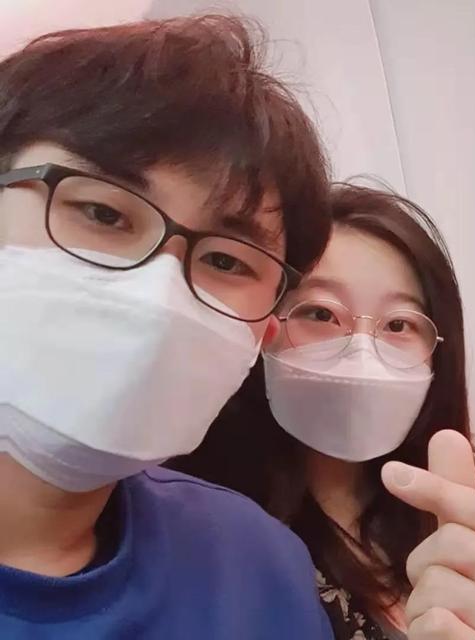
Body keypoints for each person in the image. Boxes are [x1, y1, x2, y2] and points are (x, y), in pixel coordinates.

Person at [172, 183, 475, 640]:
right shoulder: (209, 529)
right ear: (266, 326)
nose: (362, 353)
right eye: (320, 313)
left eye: (398, 324)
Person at [0, 14, 336, 639]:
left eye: (227, 262)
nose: (157, 296)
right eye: (102, 212)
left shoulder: (258, 566)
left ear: (263, 331)